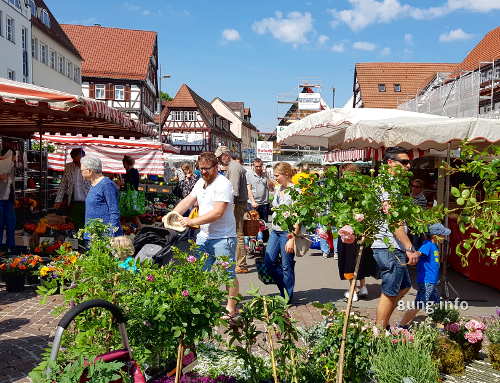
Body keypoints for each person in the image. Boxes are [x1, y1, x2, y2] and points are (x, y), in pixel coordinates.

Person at [171, 152, 239, 318]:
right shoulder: (201, 182)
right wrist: (173, 214)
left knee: (227, 274)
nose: (203, 172)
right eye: (200, 169)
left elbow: (217, 213)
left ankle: (231, 308)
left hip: (223, 237)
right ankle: (199, 303)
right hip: (204, 236)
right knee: (198, 271)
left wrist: (191, 222)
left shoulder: (223, 184)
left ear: (216, 167)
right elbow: (189, 199)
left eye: (206, 169)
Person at [372, 146, 419, 329]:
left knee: (404, 286)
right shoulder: (388, 186)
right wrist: (409, 247)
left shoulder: (392, 184)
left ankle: (382, 324)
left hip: (391, 245)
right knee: (391, 290)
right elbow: (394, 221)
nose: (408, 166)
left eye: (409, 162)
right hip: (389, 245)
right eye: (404, 162)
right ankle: (379, 329)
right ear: (390, 163)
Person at [398, 223, 451, 327]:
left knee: (435, 304)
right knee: (419, 304)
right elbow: (419, 253)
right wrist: (413, 255)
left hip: (432, 282)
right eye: (443, 235)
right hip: (426, 281)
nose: (445, 237)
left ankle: (439, 325)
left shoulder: (434, 246)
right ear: (435, 236)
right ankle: (401, 325)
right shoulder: (427, 245)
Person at [264, 162, 300, 303]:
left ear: (286, 174)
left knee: (286, 265)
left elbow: (298, 217)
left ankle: (287, 296)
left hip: (287, 232)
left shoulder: (295, 191)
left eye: (277, 175)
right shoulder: (278, 189)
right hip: (275, 231)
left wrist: (293, 238)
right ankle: (283, 288)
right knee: (269, 262)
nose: (276, 178)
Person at [215, 146, 248, 274]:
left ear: (225, 155)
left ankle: (241, 264)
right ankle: (240, 263)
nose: (219, 160)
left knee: (238, 234)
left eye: (219, 157)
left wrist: (224, 206)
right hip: (238, 203)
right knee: (237, 233)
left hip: (237, 204)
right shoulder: (234, 166)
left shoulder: (234, 168)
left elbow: (233, 191)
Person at [81, 156, 122, 236]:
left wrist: (111, 234)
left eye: (82, 170)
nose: (81, 173)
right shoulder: (93, 185)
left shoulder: (106, 185)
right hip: (93, 235)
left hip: (104, 237)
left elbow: (114, 211)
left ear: (90, 171)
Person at [54, 148, 90, 230]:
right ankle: (76, 242)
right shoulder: (68, 167)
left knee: (87, 225)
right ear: (73, 158)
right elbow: (63, 184)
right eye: (75, 160)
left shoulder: (90, 167)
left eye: (80, 160)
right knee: (74, 226)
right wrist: (58, 200)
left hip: (88, 202)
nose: (78, 162)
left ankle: (86, 242)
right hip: (74, 202)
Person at [117, 155, 142, 230]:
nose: (123, 166)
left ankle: (139, 226)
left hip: (130, 194)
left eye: (124, 164)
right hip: (131, 194)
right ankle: (123, 226)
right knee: (125, 212)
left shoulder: (132, 172)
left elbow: (130, 184)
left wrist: (122, 183)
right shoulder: (132, 172)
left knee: (130, 212)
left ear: (127, 163)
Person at [0, 149, 16, 250]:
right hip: (0, 201)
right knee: (0, 226)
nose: (15, 158)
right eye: (14, 156)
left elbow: (11, 184)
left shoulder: (11, 167)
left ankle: (10, 249)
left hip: (8, 201)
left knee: (11, 226)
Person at [246, 158, 272, 222]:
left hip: (264, 203)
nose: (258, 168)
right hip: (254, 203)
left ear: (262, 166)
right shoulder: (249, 174)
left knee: (264, 224)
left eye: (260, 166)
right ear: (253, 166)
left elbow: (271, 188)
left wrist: (267, 177)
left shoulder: (266, 174)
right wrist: (253, 202)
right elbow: (249, 189)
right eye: (256, 166)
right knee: (253, 224)